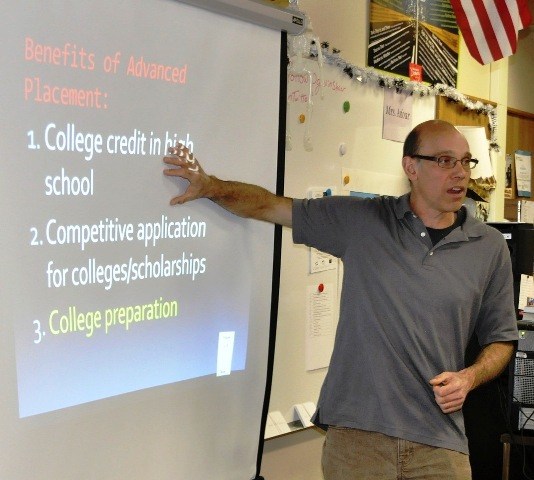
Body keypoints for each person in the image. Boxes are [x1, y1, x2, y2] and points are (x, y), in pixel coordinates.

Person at [163, 119, 518, 480]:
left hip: (440, 443)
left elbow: (501, 338)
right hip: (357, 440)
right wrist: (211, 187)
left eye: (465, 162)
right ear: (411, 166)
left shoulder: (488, 247)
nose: (459, 173)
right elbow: (270, 207)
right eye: (445, 160)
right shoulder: (362, 221)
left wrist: (469, 378)